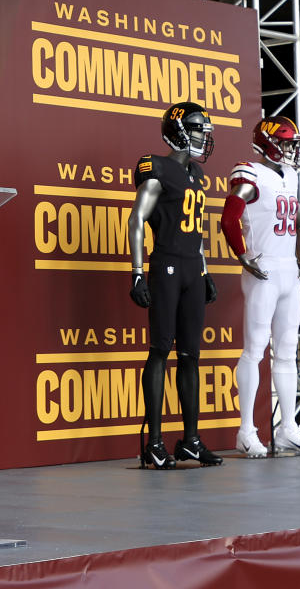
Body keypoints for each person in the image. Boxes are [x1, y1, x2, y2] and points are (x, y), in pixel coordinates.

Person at [128, 101, 223, 469]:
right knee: (160, 350)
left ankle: (191, 441)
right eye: (199, 129)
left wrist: (205, 268)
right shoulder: (156, 166)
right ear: (180, 130)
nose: (203, 136)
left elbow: (196, 230)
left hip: (191, 270)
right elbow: (137, 218)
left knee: (191, 356)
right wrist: (137, 271)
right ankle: (153, 442)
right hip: (165, 263)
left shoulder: (196, 175)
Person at [222, 116, 300, 458]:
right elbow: (229, 215)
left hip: (287, 272)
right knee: (255, 349)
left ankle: (289, 428)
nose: (293, 149)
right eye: (288, 142)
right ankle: (246, 430)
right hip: (264, 269)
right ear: (269, 143)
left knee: (288, 351)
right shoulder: (251, 172)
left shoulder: (290, 176)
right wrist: (244, 254)